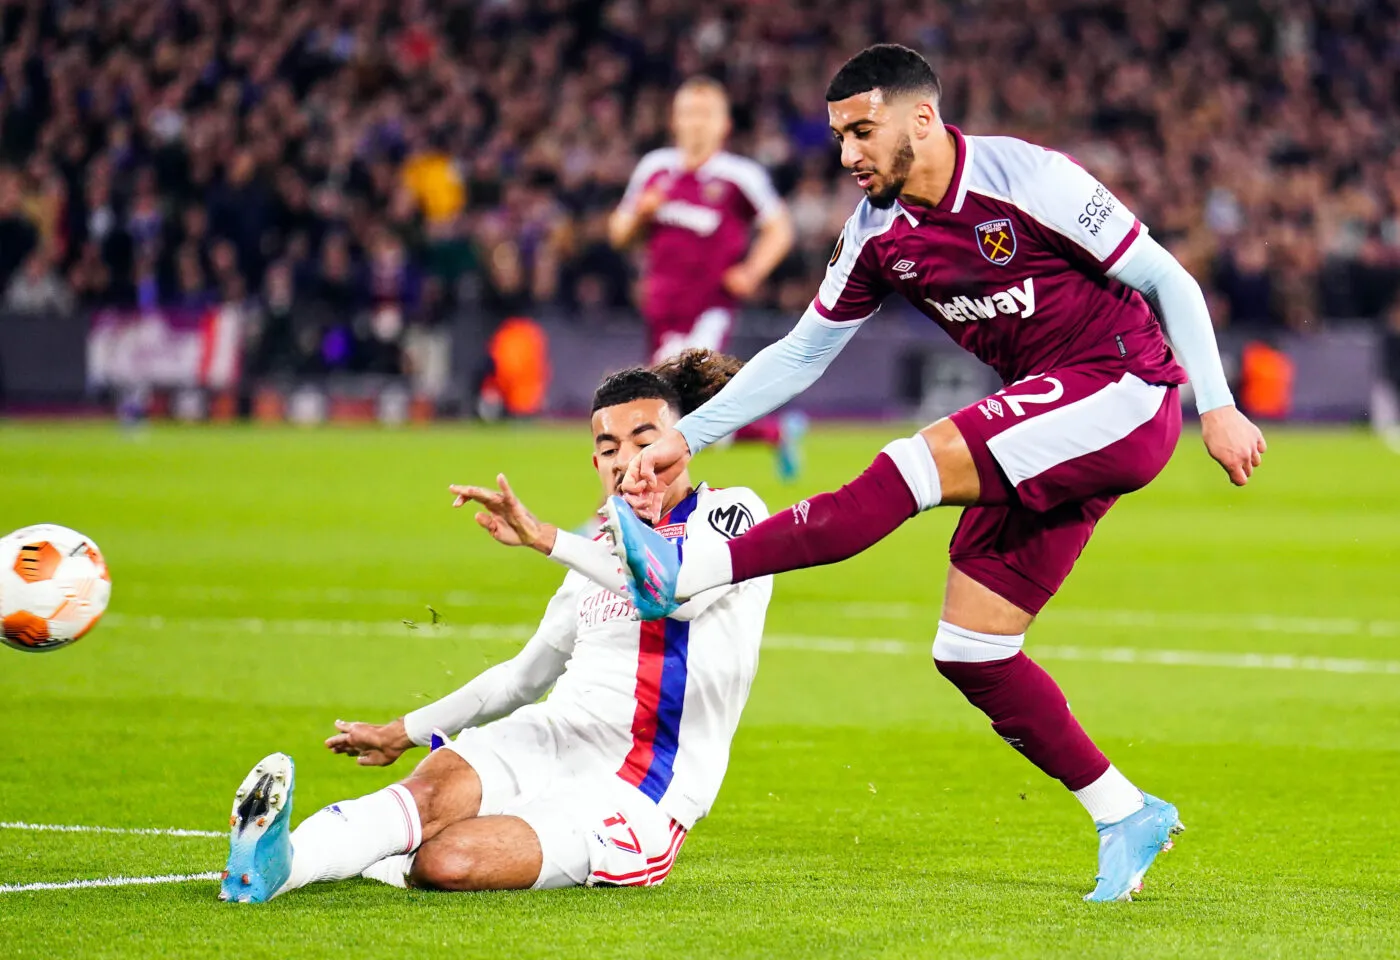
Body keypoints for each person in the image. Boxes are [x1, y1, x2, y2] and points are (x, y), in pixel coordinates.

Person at [604, 45, 1267, 903]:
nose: (848, 154)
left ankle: (689, 570)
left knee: (910, 466)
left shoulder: (1029, 178)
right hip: (1048, 419)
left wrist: (1218, 404)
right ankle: (1125, 812)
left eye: (862, 131)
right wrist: (689, 436)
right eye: (840, 137)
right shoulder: (876, 234)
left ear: (922, 118)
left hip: (1123, 388)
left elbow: (1167, 278)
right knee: (972, 648)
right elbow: (802, 352)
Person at [219, 350, 772, 902]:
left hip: (638, 793)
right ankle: (276, 866)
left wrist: (546, 537)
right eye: (609, 449)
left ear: (683, 444)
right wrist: (401, 732)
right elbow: (520, 680)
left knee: (446, 860)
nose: (626, 461)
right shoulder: (592, 560)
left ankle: (385, 854)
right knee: (430, 791)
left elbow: (674, 593)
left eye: (644, 442)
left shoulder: (732, 514)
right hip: (551, 738)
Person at [609, 76, 805, 480]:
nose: (696, 122)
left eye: (705, 113)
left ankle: (625, 499)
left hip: (708, 308)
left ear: (724, 125)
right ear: (674, 120)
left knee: (666, 405)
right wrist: (641, 214)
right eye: (688, 112)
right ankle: (775, 433)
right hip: (661, 308)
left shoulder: (738, 176)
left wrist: (752, 271)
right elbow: (619, 233)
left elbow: (780, 227)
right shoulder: (655, 168)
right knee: (691, 412)